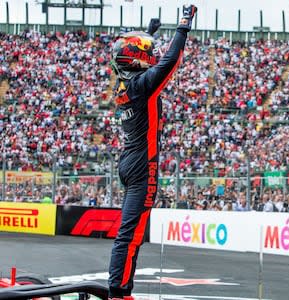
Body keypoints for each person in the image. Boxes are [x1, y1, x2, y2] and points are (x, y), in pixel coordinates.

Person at [107, 5, 197, 300]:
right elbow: (171, 61)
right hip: (143, 166)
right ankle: (119, 292)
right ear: (134, 60)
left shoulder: (124, 85)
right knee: (130, 237)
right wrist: (183, 25)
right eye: (144, 52)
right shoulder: (143, 86)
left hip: (128, 162)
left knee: (129, 235)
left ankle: (121, 288)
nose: (150, 55)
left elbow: (132, 55)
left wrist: (149, 31)